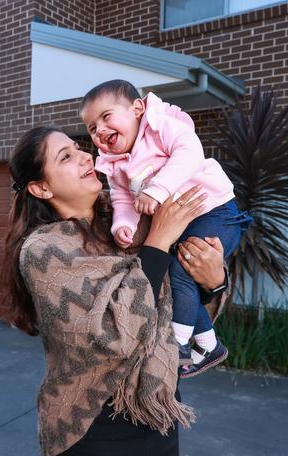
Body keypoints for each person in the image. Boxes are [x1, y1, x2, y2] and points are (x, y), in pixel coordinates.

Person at [2, 126, 229, 456]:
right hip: (92, 430)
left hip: (159, 412)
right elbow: (115, 335)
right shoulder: (43, 252)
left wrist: (211, 280)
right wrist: (158, 242)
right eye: (65, 156)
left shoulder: (131, 220)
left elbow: (177, 308)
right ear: (40, 188)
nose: (85, 156)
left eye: (79, 148)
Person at [80, 79, 249, 377]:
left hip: (214, 209)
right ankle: (208, 344)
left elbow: (190, 152)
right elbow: (122, 200)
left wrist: (157, 190)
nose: (100, 130)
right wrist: (123, 224)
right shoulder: (114, 164)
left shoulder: (160, 127)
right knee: (177, 272)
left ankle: (178, 344)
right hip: (183, 222)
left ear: (137, 109)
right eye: (92, 128)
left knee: (183, 270)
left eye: (106, 117)